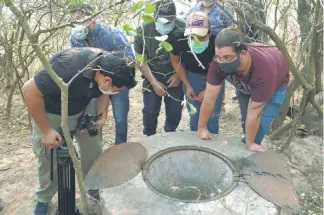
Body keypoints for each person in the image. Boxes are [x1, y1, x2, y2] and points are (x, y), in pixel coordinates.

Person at [24, 48, 136, 215]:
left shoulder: (109, 65)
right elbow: (29, 90)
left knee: (94, 150)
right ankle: (44, 198)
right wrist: (46, 131)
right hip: (53, 112)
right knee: (49, 158)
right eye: (116, 90)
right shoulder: (67, 68)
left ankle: (92, 187)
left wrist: (101, 116)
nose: (116, 93)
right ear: (106, 79)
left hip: (84, 105)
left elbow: (104, 93)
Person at [197, 27, 289, 151]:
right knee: (246, 119)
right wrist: (201, 127)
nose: (222, 62)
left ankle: (249, 151)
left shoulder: (264, 71)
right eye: (218, 57)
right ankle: (246, 139)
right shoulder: (217, 62)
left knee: (259, 126)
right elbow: (209, 99)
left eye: (227, 57)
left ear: (243, 54)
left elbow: (254, 114)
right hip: (244, 85)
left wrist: (250, 143)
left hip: (274, 88)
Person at [69, 4, 134, 145]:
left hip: (116, 82)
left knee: (120, 117)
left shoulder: (112, 35)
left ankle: (120, 147)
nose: (75, 24)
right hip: (94, 82)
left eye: (79, 20)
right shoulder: (75, 37)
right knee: (94, 116)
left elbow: (130, 62)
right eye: (73, 21)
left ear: (91, 19)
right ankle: (95, 147)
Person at [168, 11, 225, 134]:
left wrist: (208, 90)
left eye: (201, 36)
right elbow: (175, 61)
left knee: (212, 115)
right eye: (192, 36)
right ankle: (195, 142)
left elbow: (222, 68)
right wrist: (187, 85)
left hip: (215, 75)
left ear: (209, 33)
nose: (196, 40)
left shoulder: (218, 42)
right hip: (192, 75)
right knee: (194, 114)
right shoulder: (177, 38)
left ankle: (212, 145)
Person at [134, 0, 184, 136]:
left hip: (175, 75)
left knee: (175, 111)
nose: (165, 25)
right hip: (152, 75)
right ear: (154, 17)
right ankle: (149, 137)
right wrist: (154, 82)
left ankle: (169, 134)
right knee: (150, 111)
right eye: (161, 21)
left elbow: (188, 56)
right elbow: (140, 60)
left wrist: (179, 76)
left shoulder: (183, 27)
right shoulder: (143, 30)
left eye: (169, 21)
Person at [186, 0, 233, 105]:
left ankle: (219, 101)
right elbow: (185, 23)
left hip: (216, 47)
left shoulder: (223, 10)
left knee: (218, 71)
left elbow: (231, 28)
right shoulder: (194, 10)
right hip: (200, 46)